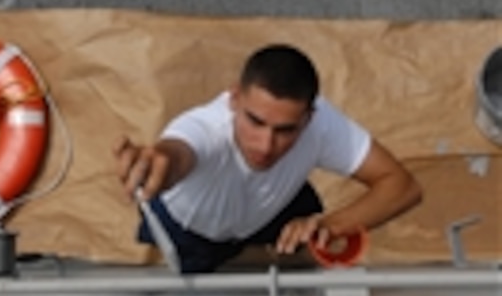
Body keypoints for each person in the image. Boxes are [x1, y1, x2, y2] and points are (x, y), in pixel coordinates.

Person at [114, 44, 422, 273]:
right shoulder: (205, 127)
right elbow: (177, 154)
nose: (265, 145)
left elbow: (403, 186)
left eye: (286, 130)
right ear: (235, 99)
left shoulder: (323, 123)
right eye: (255, 122)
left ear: (309, 118)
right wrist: (159, 162)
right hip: (192, 229)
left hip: (271, 209)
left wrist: (330, 224)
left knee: (308, 230)